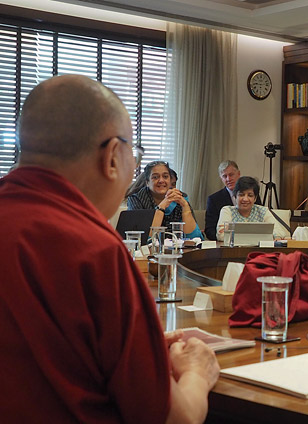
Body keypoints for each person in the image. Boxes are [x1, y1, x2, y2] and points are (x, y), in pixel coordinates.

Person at [0, 74, 219, 422]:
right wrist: (196, 370)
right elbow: (177, 418)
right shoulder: (94, 249)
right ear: (113, 156)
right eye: (135, 152)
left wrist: (139, 352)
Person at [126, 160, 202, 239]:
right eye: (155, 177)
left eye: (165, 176)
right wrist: (162, 207)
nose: (161, 181)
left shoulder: (180, 197)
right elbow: (143, 238)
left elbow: (194, 238)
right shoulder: (136, 200)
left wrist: (185, 207)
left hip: (177, 249)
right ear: (147, 182)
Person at [216, 176, 290, 240]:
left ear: (255, 198)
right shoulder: (227, 211)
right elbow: (221, 235)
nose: (245, 199)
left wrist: (236, 232)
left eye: (250, 195)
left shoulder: (263, 211)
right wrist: (261, 234)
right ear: (235, 197)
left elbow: (280, 233)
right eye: (241, 195)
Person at [206, 160, 240, 240]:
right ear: (221, 178)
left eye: (231, 175)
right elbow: (210, 230)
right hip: (224, 243)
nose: (228, 179)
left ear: (238, 174)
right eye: (224, 176)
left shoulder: (250, 196)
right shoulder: (214, 199)